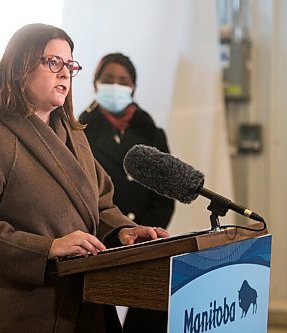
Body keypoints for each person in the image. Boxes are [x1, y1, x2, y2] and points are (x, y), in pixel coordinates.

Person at [0, 24, 168, 333]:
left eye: (70, 65)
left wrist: (123, 232)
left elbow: (100, 204)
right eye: (53, 63)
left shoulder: (74, 135)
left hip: (81, 301)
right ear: (19, 67)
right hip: (17, 308)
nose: (65, 73)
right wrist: (48, 248)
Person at [79, 53, 174, 333]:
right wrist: (115, 228)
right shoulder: (78, 132)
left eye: (123, 80)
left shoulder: (152, 133)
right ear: (96, 83)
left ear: (134, 86)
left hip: (146, 239)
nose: (115, 86)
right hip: (100, 238)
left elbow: (165, 194)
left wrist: (143, 230)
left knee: (151, 308)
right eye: (108, 79)